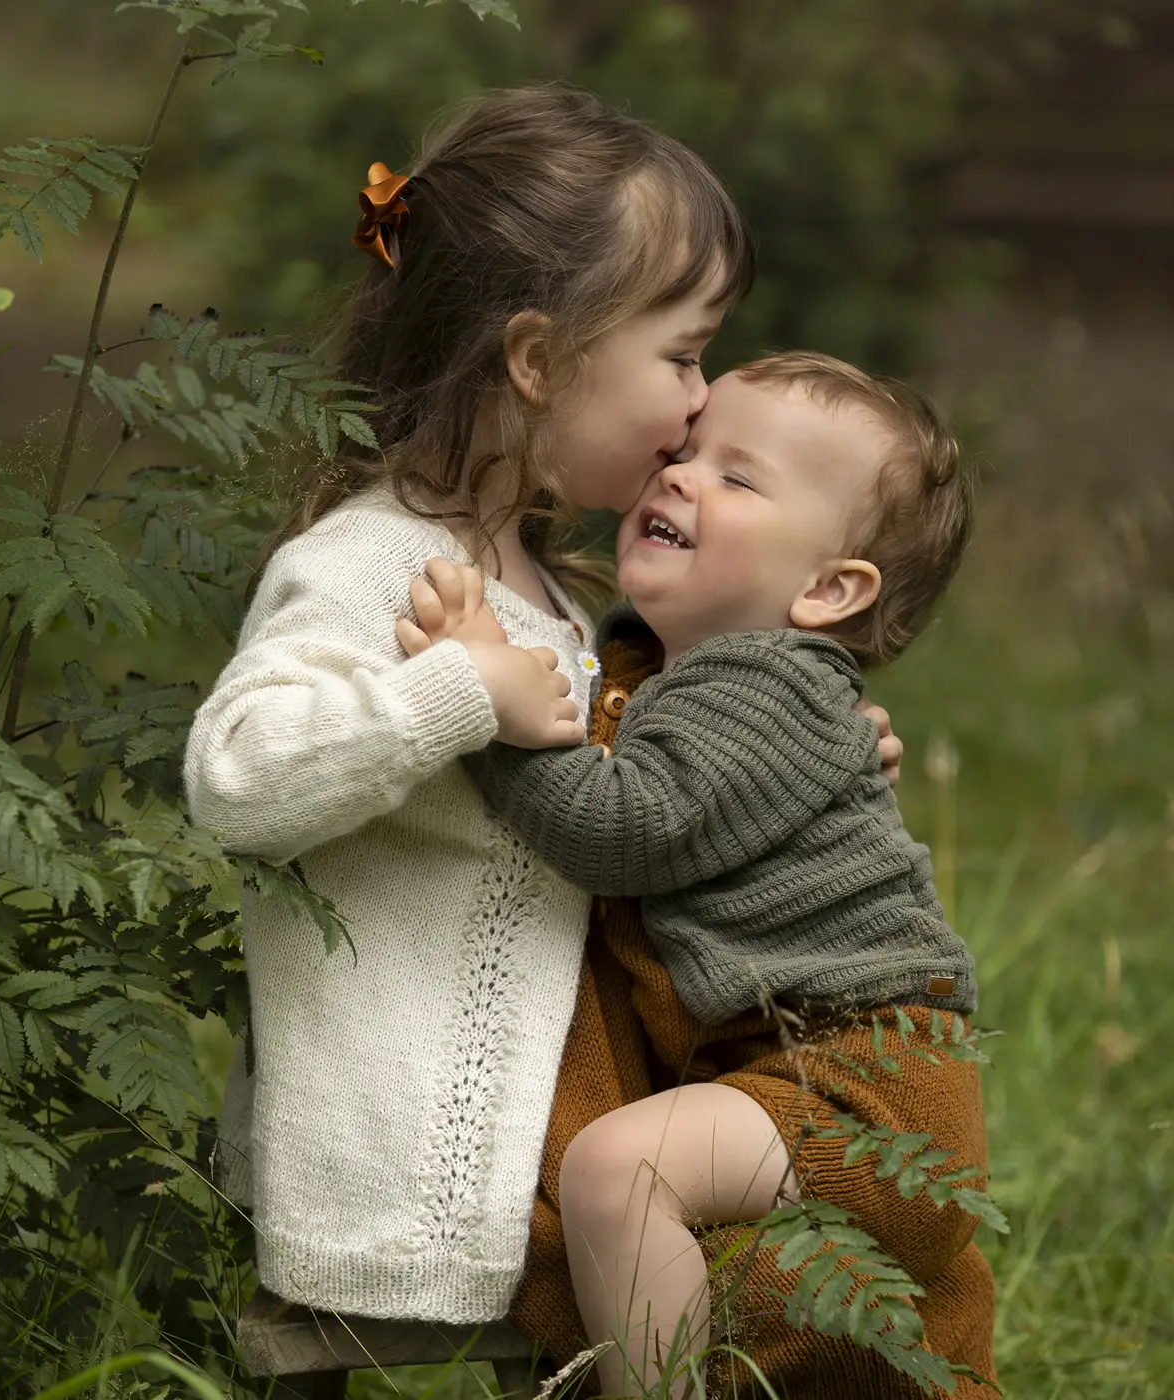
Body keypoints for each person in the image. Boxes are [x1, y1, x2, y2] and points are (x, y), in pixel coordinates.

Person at [181, 83, 902, 1328]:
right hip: (401, 1177)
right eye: (679, 353)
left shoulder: (548, 592)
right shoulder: (371, 565)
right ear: (533, 359)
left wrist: (801, 769)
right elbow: (237, 777)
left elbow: (631, 810)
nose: (698, 397)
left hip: (533, 1158)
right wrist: (452, 688)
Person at [397, 352, 996, 1397]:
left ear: (826, 589)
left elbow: (621, 827)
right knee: (621, 1179)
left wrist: (483, 704)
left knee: (616, 1168)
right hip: (784, 1065)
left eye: (738, 476)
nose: (677, 476)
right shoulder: (668, 672)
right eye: (682, 452)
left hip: (866, 1082)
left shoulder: (773, 685)